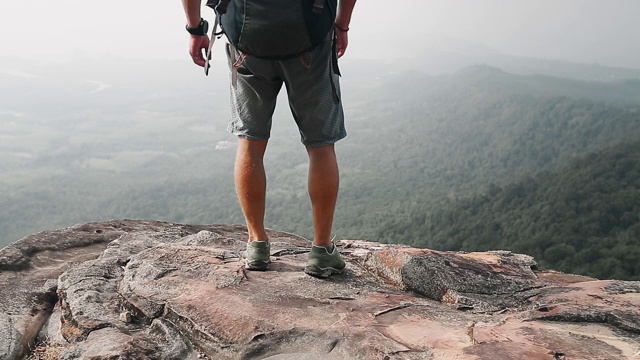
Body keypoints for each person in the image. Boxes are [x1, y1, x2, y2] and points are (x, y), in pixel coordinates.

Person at [181, 0, 357, 278]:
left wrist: (194, 29)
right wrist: (342, 24)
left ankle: (257, 244)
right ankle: (322, 250)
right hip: (310, 36)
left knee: (250, 142)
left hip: (248, 41)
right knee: (321, 146)